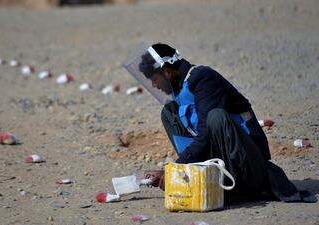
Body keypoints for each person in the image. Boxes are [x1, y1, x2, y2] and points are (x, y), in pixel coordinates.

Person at [123, 42, 316, 202]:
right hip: (220, 164)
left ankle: (242, 188)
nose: (154, 85)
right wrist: (175, 172)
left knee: (216, 117)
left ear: (168, 71)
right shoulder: (179, 92)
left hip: (249, 166)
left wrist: (174, 169)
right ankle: (200, 178)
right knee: (168, 113)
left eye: (154, 79)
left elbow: (206, 132)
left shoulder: (203, 79)